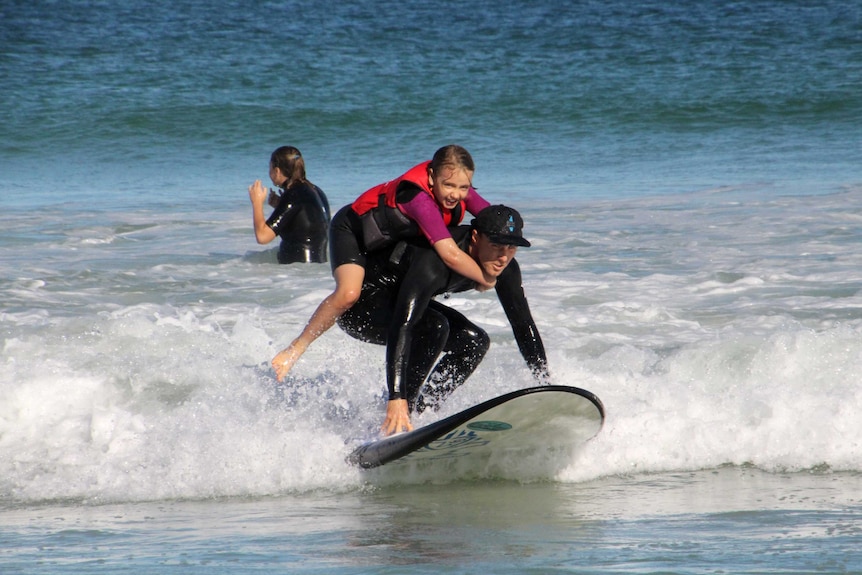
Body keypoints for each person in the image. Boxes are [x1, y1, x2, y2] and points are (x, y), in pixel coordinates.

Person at [275, 205, 549, 436]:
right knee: (433, 327)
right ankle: (398, 415)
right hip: (364, 307)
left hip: (402, 303)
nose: (504, 256)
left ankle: (422, 414)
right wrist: (397, 397)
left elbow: (523, 325)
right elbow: (403, 326)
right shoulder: (437, 261)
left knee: (474, 342)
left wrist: (544, 383)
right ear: (475, 237)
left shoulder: (504, 267)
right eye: (497, 246)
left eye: (512, 248)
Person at [271, 145, 496, 377]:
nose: (456, 194)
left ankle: (422, 404)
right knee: (349, 293)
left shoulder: (456, 185)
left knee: (430, 321)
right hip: (352, 230)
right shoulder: (417, 197)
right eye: (449, 185)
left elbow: (494, 220)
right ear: (432, 177)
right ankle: (296, 347)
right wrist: (485, 278)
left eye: (463, 188)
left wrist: (509, 238)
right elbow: (449, 253)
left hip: (384, 243)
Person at [248, 146, 331, 264]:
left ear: (276, 171)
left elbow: (262, 236)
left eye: (270, 168)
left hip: (297, 272)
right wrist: (280, 206)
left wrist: (257, 202)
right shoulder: (315, 191)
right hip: (315, 271)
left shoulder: (293, 194)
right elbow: (308, 226)